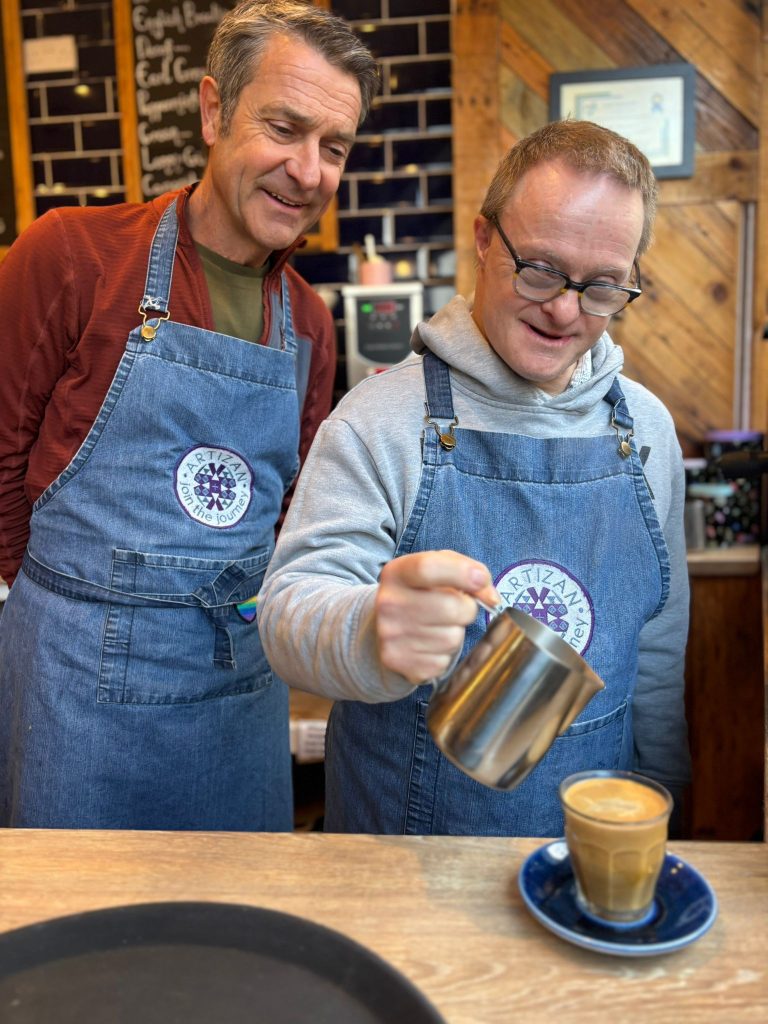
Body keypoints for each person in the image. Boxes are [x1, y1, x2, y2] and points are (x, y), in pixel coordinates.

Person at [0, 0, 378, 831]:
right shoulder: (71, 257)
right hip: (72, 699)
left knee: (232, 941)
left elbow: (289, 522)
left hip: (237, 698)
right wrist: (59, 612)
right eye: (284, 127)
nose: (307, 169)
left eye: (334, 146)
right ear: (213, 110)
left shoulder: (310, 324)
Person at [258, 120, 691, 837]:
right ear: (485, 240)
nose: (563, 309)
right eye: (542, 270)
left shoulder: (645, 430)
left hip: (588, 853)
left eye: (603, 288)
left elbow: (658, 651)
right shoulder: (380, 418)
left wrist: (666, 808)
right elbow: (287, 613)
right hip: (402, 869)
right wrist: (369, 631)